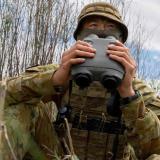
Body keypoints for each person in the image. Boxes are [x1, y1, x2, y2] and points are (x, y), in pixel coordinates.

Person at [0, 2, 160, 160]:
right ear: (79, 39)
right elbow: (3, 94)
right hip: (59, 155)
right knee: (18, 108)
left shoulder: (134, 87)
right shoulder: (63, 73)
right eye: (92, 27)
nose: (101, 35)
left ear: (121, 43)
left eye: (110, 29)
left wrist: (129, 96)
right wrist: (54, 79)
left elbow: (156, 148)